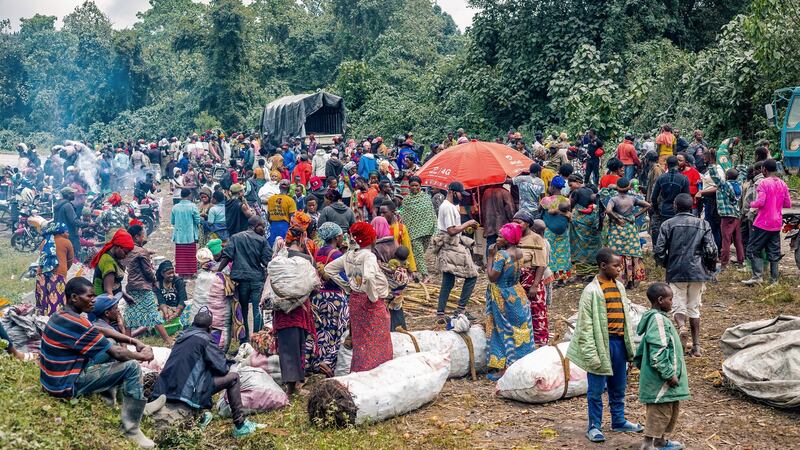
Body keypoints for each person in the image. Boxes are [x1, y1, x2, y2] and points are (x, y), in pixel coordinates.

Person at [40, 277, 161, 448]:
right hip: (64, 385)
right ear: (74, 297)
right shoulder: (76, 322)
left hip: (52, 380)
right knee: (132, 366)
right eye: (89, 296)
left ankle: (134, 406)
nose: (94, 300)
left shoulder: (62, 315)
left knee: (108, 344)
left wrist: (134, 342)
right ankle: (132, 429)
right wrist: (143, 355)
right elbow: (118, 354)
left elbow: (98, 329)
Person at [566, 248, 643, 443]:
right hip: (601, 344)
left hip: (618, 344)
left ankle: (618, 420)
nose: (620, 269)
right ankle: (594, 426)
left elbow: (626, 319)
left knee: (619, 386)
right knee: (596, 390)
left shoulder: (619, 286)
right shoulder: (591, 291)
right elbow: (584, 327)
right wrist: (592, 354)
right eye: (616, 266)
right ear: (602, 266)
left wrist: (630, 348)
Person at [150, 309, 256, 438]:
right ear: (210, 328)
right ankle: (240, 425)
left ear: (193, 324)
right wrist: (228, 361)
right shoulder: (205, 339)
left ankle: (200, 416)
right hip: (185, 392)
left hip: (163, 390)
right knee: (233, 378)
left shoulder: (181, 337)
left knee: (202, 372)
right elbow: (222, 368)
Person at [654, 193, 715, 357]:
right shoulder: (702, 224)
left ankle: (681, 327)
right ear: (692, 205)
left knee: (678, 305)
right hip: (697, 271)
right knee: (694, 308)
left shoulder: (667, 224)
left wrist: (667, 264)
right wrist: (708, 268)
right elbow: (711, 249)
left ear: (675, 206)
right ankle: (696, 347)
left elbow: (659, 250)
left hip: (676, 270)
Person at [324, 222, 391, 372]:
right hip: (370, 303)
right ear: (369, 239)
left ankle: (359, 372)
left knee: (361, 341)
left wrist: (347, 286)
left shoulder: (348, 255)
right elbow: (367, 277)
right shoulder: (368, 256)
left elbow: (329, 269)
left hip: (355, 301)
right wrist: (373, 297)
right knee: (377, 342)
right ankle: (375, 373)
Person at [634, 283, 689, 450]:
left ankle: (660, 441)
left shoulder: (660, 318)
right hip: (662, 378)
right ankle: (648, 444)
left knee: (669, 409)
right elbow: (657, 351)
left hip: (668, 376)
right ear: (660, 300)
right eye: (670, 299)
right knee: (659, 412)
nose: (672, 302)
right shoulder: (657, 320)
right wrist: (668, 373)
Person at [484, 222, 535, 381]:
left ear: (508, 239)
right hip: (517, 293)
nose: (497, 239)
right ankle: (523, 362)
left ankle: (504, 368)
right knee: (520, 328)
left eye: (500, 236)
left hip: (502, 296)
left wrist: (490, 256)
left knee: (502, 330)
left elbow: (492, 277)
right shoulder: (519, 252)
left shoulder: (501, 255)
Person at [216, 216, 273, 342]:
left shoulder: (236, 238)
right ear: (255, 225)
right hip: (256, 279)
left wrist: (218, 270)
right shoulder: (261, 240)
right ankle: (257, 338)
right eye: (262, 226)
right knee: (258, 309)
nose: (263, 229)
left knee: (243, 309)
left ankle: (244, 339)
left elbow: (227, 256)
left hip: (240, 279)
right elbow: (268, 261)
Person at [430, 181, 479, 322]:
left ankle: (441, 313)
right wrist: (468, 223)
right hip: (450, 245)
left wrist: (465, 228)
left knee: (449, 280)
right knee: (471, 276)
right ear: (452, 192)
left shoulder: (451, 206)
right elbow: (451, 230)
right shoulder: (447, 207)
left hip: (452, 245)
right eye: (459, 194)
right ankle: (460, 310)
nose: (461, 197)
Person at [310, 222, 349, 376]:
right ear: (336, 237)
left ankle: (319, 361)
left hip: (319, 297)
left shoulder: (318, 252)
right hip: (335, 298)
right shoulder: (337, 255)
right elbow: (344, 278)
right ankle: (330, 364)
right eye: (340, 236)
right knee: (336, 332)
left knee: (322, 331)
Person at [743, 159, 791, 285]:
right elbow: (788, 203)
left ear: (764, 169)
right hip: (776, 223)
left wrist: (751, 205)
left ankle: (757, 276)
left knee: (752, 249)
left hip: (762, 222)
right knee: (774, 251)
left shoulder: (763, 183)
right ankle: (774, 280)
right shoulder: (782, 183)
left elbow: (761, 202)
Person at [124, 225, 173, 345]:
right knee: (153, 313)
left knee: (129, 315)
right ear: (137, 237)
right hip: (143, 287)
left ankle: (125, 343)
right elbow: (147, 271)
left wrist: (146, 252)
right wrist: (155, 281)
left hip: (131, 286)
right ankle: (168, 340)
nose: (144, 237)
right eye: (142, 235)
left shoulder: (128, 250)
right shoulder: (142, 252)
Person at [605, 178, 650, 288]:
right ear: (629, 188)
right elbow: (648, 205)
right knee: (630, 253)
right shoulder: (632, 199)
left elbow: (608, 211)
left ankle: (619, 280)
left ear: (617, 188)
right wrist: (635, 215)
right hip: (630, 227)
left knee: (617, 253)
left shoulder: (614, 199)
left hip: (617, 229)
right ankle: (631, 282)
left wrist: (616, 219)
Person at [399, 176, 437, 282]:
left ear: (420, 186)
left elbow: (432, 214)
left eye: (417, 185)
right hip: (413, 232)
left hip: (427, 231)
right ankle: (425, 276)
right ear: (409, 187)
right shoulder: (406, 201)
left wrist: (435, 229)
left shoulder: (426, 198)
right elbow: (405, 217)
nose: (414, 187)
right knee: (419, 253)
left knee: (419, 254)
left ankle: (413, 272)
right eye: (412, 186)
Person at [35, 222, 74, 316]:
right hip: (58, 276)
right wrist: (64, 270)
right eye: (66, 232)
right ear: (60, 232)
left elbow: (41, 258)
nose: (68, 234)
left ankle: (42, 320)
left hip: (41, 275)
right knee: (56, 302)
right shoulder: (67, 242)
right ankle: (55, 324)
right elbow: (70, 260)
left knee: (43, 300)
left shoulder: (44, 242)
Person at [650, 156, 689, 245]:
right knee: (676, 236)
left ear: (667, 165)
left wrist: (656, 210)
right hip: (678, 212)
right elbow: (687, 197)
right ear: (678, 165)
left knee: (664, 234)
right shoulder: (683, 179)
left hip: (664, 210)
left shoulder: (661, 178)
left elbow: (654, 197)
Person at [540, 177, 572, 282]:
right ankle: (563, 277)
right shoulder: (566, 200)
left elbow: (540, 212)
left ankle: (552, 275)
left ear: (552, 187)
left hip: (549, 230)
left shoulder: (545, 200)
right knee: (563, 252)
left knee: (551, 252)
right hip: (563, 230)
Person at [568, 175, 602, 268]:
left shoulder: (576, 192)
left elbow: (571, 206)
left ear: (578, 182)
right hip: (590, 219)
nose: (570, 187)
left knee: (579, 242)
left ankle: (580, 261)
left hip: (580, 220)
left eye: (571, 185)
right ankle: (592, 261)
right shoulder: (590, 190)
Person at [92, 228, 135, 299]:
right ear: (118, 247)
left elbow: (115, 284)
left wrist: (125, 296)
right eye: (125, 252)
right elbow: (108, 291)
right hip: (102, 301)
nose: (126, 255)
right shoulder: (108, 262)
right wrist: (113, 307)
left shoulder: (113, 257)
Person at [696, 148, 725, 250]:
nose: (702, 158)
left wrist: (702, 192)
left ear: (710, 157)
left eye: (704, 155)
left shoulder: (718, 169)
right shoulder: (710, 168)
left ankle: (716, 249)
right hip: (708, 201)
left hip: (713, 201)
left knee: (714, 227)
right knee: (710, 225)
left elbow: (719, 186)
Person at [716, 168, 745, 269]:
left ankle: (724, 263)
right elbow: (743, 172)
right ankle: (741, 261)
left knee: (726, 240)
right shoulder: (739, 184)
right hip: (736, 215)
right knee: (738, 240)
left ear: (727, 177)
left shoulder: (725, 185)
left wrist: (711, 163)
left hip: (727, 217)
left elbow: (715, 176)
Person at [380, 201, 418, 275]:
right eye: (381, 213)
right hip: (382, 264)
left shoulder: (401, 228)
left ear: (393, 212)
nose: (382, 215)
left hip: (396, 266)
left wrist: (412, 270)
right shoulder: (378, 227)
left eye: (384, 213)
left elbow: (407, 247)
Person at [171, 188, 201, 277]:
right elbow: (197, 220)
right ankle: (191, 272)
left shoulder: (175, 207)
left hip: (179, 235)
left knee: (180, 255)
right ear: (189, 195)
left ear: (181, 196)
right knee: (190, 254)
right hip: (190, 235)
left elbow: (173, 222)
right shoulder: (193, 206)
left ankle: (181, 272)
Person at [480, 184, 516, 259]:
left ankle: (489, 266)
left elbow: (483, 209)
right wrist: (513, 222)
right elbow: (510, 210)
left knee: (490, 246)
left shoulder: (486, 193)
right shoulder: (505, 192)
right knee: (503, 248)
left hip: (489, 225)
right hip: (502, 226)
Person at [155, 260, 190, 329]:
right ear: (162, 274)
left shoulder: (178, 281)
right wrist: (166, 313)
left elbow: (183, 298)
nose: (172, 275)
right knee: (157, 317)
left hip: (178, 308)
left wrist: (176, 313)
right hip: (166, 308)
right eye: (168, 273)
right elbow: (161, 300)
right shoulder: (158, 284)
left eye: (173, 272)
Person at [54, 186, 85, 258]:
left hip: (60, 234)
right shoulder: (67, 205)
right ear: (67, 195)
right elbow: (74, 221)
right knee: (75, 256)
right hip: (70, 235)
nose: (74, 195)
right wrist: (88, 224)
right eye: (72, 193)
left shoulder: (57, 204)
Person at [266, 180, 297, 247]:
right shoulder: (290, 200)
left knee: (272, 247)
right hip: (284, 227)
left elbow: (268, 216)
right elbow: (292, 217)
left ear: (279, 187)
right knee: (282, 247)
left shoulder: (271, 199)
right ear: (288, 189)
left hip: (273, 226)